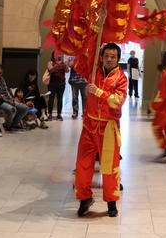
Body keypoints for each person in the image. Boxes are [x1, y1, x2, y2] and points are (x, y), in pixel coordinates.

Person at [76, 43, 127, 218]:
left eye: (113, 56)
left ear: (118, 58)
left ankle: (111, 202)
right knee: (83, 165)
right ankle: (84, 199)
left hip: (108, 129)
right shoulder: (93, 70)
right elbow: (79, 60)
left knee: (110, 166)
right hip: (89, 127)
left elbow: (117, 101)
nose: (109, 59)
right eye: (106, 56)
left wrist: (99, 92)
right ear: (102, 56)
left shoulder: (121, 78)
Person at [0, 63, 29, 131]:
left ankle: (13, 124)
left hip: (8, 100)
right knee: (12, 109)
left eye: (1, 69)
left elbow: (6, 91)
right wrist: (8, 101)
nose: (0, 71)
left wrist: (12, 100)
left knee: (25, 108)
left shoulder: (2, 79)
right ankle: (7, 125)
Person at [43, 53, 68, 120]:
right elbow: (51, 70)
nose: (58, 56)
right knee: (51, 99)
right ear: (53, 56)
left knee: (60, 100)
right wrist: (58, 65)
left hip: (61, 85)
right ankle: (50, 114)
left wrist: (65, 65)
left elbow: (67, 71)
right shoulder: (50, 63)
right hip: (52, 85)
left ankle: (59, 114)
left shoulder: (63, 63)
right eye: (57, 54)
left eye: (59, 54)